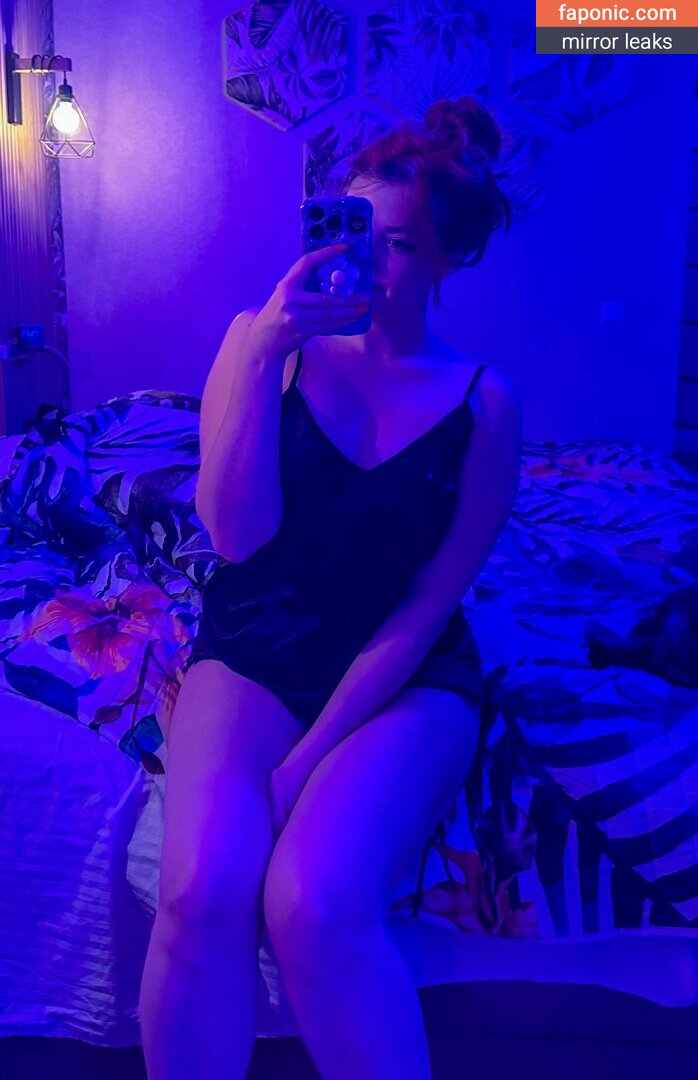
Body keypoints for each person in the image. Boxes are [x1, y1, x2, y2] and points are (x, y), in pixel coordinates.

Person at [139, 95, 523, 1080]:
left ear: (446, 260)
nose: (365, 263)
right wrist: (267, 348)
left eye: (398, 244)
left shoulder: (484, 407)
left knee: (312, 904)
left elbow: (426, 606)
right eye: (351, 229)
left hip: (405, 676)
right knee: (200, 890)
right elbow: (236, 536)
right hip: (254, 647)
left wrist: (305, 760)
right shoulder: (258, 342)